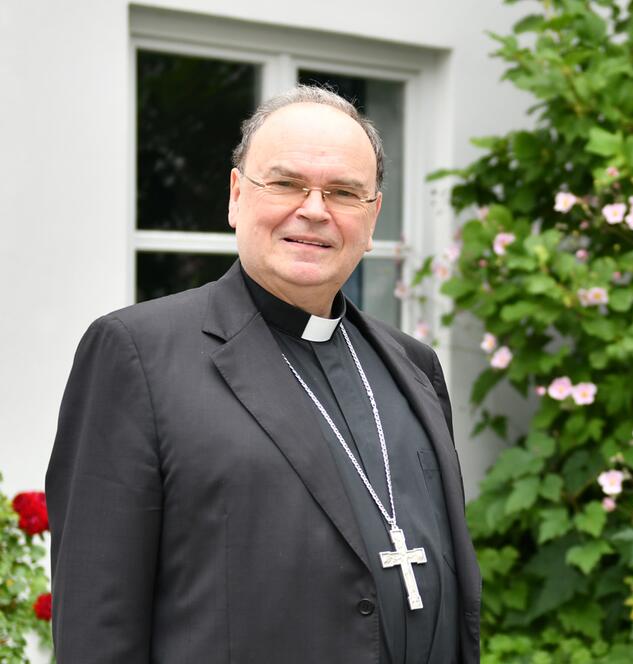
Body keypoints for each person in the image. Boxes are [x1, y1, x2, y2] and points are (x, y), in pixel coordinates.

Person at [47, 85, 480, 663]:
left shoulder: (414, 366)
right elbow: (98, 628)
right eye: (286, 183)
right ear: (235, 196)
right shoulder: (137, 355)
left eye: (344, 192)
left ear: (372, 216)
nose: (314, 210)